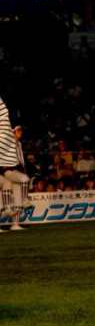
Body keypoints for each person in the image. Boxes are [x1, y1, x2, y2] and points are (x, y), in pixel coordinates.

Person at [1, 96, 30, 231]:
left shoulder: (19, 144)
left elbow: (22, 162)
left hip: (15, 172)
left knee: (17, 198)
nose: (21, 132)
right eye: (19, 130)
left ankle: (15, 224)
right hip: (8, 172)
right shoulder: (8, 143)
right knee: (3, 198)